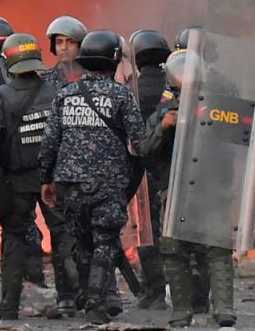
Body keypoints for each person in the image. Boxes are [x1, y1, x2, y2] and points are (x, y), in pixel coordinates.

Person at [39, 30, 145, 324]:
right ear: (113, 61)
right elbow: (140, 142)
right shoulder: (122, 95)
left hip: (70, 185)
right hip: (108, 183)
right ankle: (97, 301)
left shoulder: (65, 95)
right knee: (104, 241)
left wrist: (47, 180)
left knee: (82, 243)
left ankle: (92, 297)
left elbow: (49, 143)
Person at [141, 50, 237, 328]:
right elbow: (143, 148)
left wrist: (212, 119)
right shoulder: (163, 109)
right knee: (173, 251)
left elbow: (241, 136)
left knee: (218, 248)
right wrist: (163, 127)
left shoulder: (217, 103)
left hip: (211, 187)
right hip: (174, 190)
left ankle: (224, 308)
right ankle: (181, 311)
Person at [0, 33, 70, 319]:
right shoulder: (56, 92)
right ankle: (73, 298)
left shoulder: (2, 97)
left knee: (14, 238)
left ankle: (9, 305)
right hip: (52, 179)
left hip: (17, 180)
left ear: (9, 63)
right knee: (63, 235)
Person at [128, 29, 172, 310]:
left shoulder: (132, 90)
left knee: (146, 231)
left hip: (141, 170)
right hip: (173, 168)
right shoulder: (177, 88)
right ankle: (191, 293)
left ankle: (154, 292)